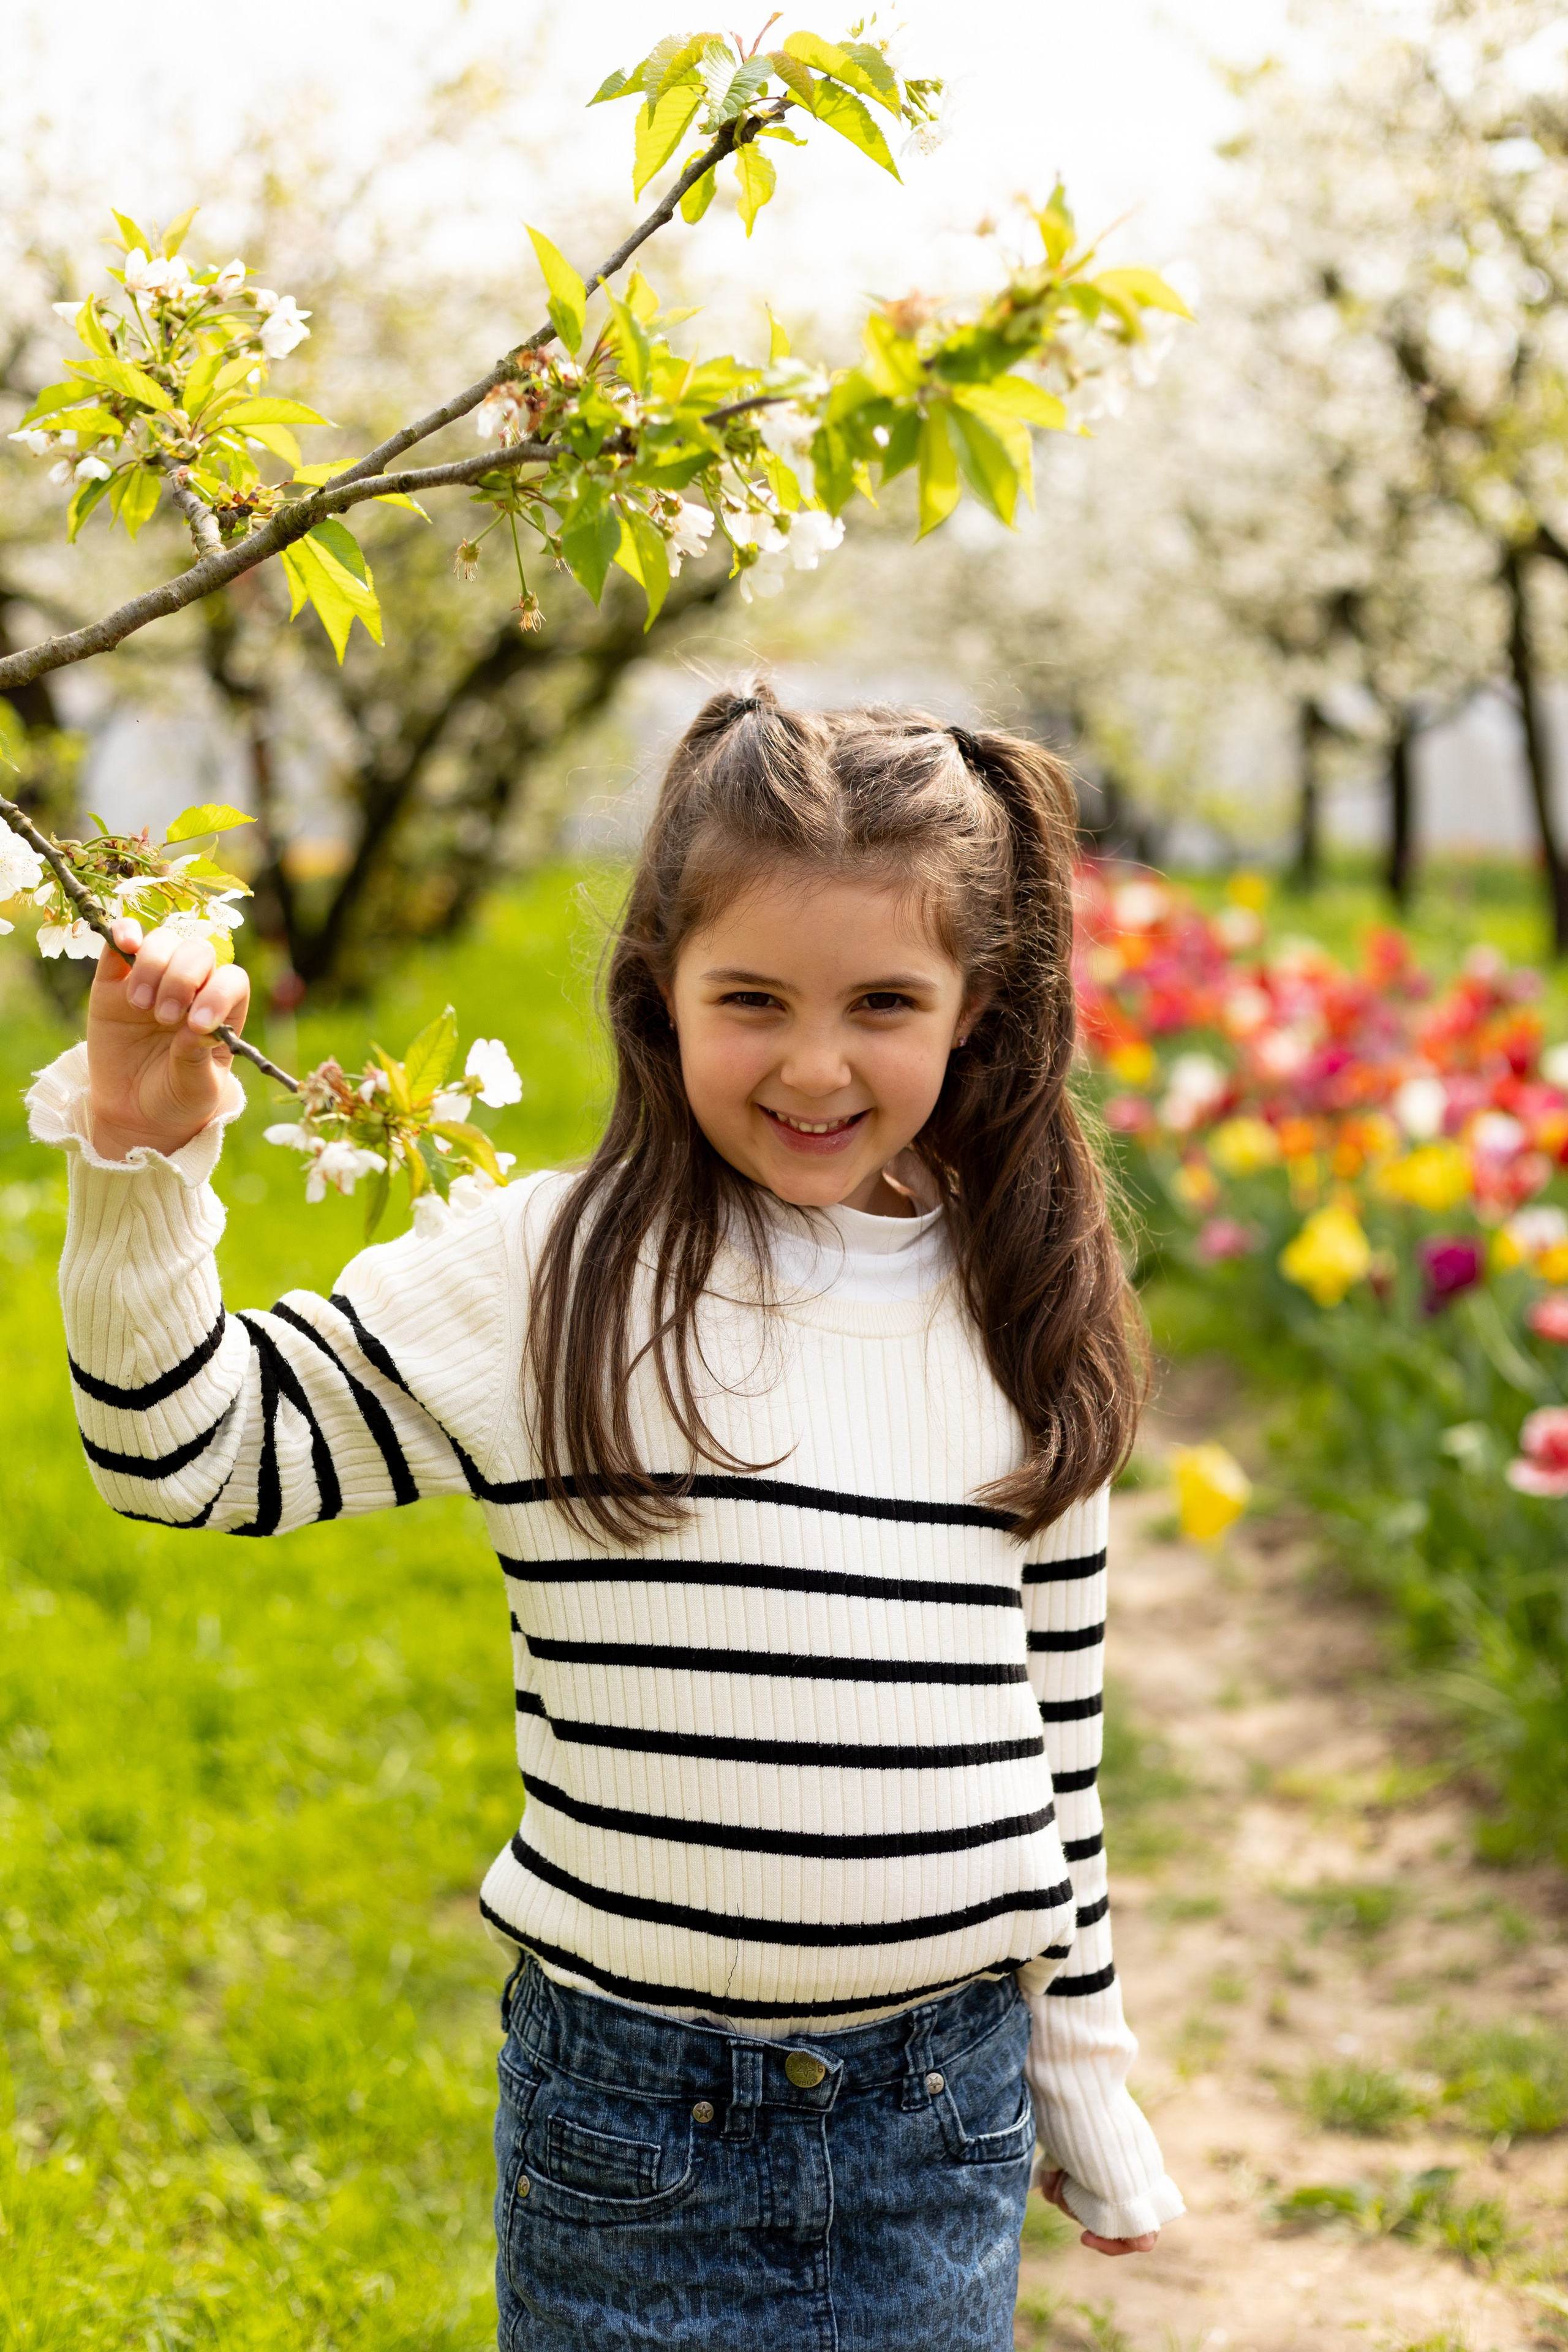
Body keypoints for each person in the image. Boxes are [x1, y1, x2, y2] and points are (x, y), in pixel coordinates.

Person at [29, 689, 1182, 2350]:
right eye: (751, 999)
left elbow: (1050, 1751)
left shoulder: (1016, 1302)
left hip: (943, 2117)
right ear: (659, 991)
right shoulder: (546, 1274)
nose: (813, 1061)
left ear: (975, 1009)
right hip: (637, 2138)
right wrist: (142, 1147)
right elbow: (188, 1452)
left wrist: (1085, 2075)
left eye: (883, 1003)